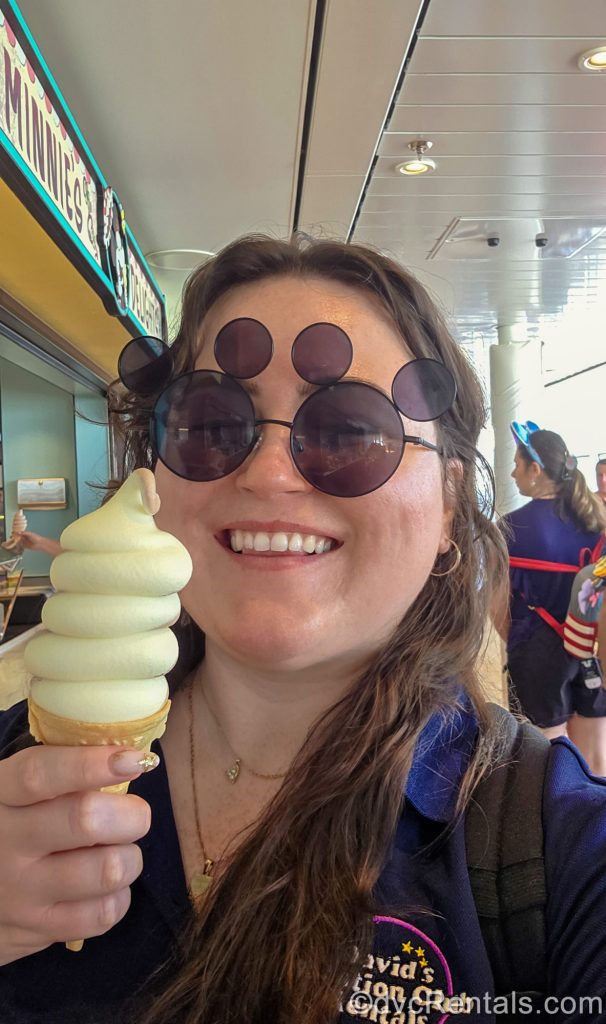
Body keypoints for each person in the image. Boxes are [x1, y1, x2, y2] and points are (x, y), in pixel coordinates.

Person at [1, 236, 606, 1024]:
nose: (268, 474)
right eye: (213, 423)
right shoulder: (24, 773)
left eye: (351, 430)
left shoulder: (557, 855)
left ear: (451, 502)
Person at [502, 422, 606, 773]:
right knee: (594, 749)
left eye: (518, 463)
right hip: (589, 649)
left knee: (545, 754)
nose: (513, 472)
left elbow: (497, 610)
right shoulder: (596, 525)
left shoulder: (512, 528)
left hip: (536, 651)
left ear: (536, 469)